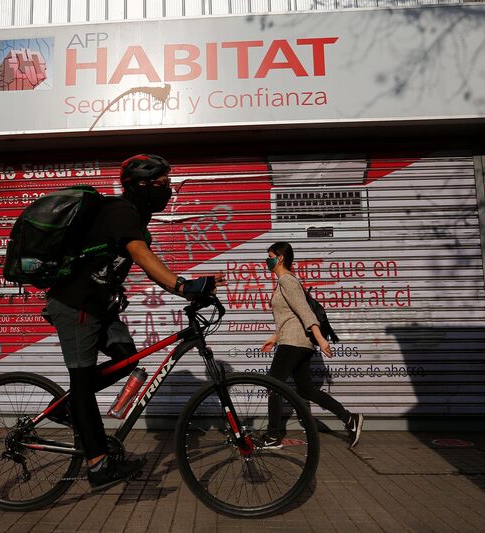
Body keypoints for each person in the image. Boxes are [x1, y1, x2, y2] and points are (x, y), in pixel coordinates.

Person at [45, 154, 225, 491]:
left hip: (100, 308)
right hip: (75, 303)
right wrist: (183, 286)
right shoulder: (120, 211)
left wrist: (190, 288)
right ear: (142, 185)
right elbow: (142, 256)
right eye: (163, 184)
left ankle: (68, 406)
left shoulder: (137, 219)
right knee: (83, 380)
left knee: (127, 359)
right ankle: (98, 464)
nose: (169, 190)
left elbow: (148, 267)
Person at [261, 241, 363, 448]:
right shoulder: (285, 281)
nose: (266, 260)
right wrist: (275, 336)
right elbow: (291, 317)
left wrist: (320, 338)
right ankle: (349, 418)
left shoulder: (287, 281)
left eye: (270, 256)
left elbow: (305, 312)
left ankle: (272, 436)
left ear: (280, 258)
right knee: (306, 390)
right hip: (297, 342)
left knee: (273, 386)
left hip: (293, 344)